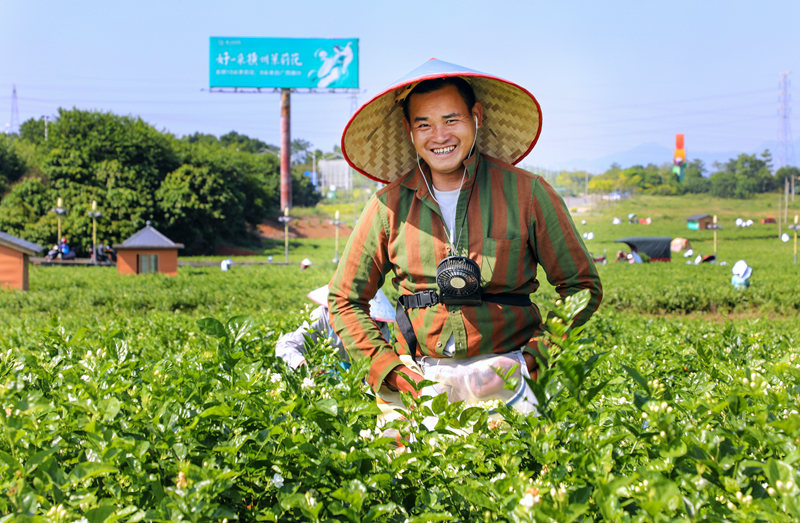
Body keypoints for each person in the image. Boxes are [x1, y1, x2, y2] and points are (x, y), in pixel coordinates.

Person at [328, 59, 602, 412]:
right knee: (405, 465)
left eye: (451, 120)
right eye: (424, 124)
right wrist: (389, 369)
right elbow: (344, 299)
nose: (439, 136)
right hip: (419, 377)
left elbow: (582, 286)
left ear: (476, 116)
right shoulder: (387, 206)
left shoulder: (528, 193)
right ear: (408, 129)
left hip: (511, 371)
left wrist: (534, 357)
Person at [276, 286, 395, 370]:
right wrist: (304, 365)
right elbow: (285, 346)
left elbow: (380, 365)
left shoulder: (379, 326)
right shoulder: (324, 315)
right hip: (327, 377)